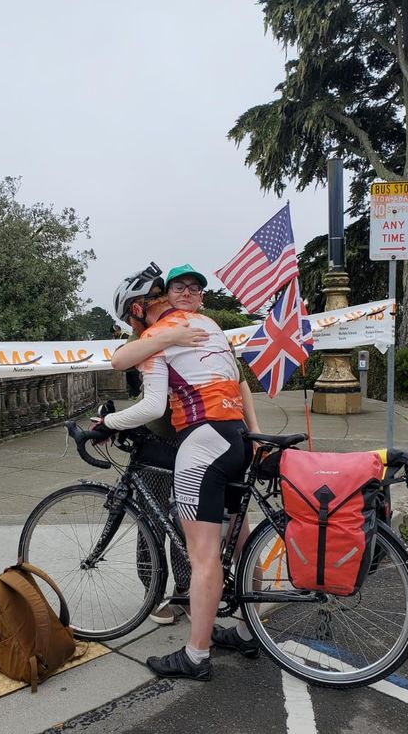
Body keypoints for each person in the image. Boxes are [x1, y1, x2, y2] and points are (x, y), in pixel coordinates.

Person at [96, 264, 256, 680]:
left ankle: (195, 656)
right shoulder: (209, 324)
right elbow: (239, 384)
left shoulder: (153, 338)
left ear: (136, 311)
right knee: (241, 542)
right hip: (237, 438)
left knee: (204, 558)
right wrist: (256, 436)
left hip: (202, 444)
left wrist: (106, 425)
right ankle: (246, 630)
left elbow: (149, 406)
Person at [109, 264, 196, 625]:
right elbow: (122, 361)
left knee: (182, 519)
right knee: (155, 516)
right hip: (161, 437)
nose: (168, 301)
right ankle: (158, 593)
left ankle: (187, 593)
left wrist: (108, 423)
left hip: (188, 437)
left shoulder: (190, 328)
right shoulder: (150, 333)